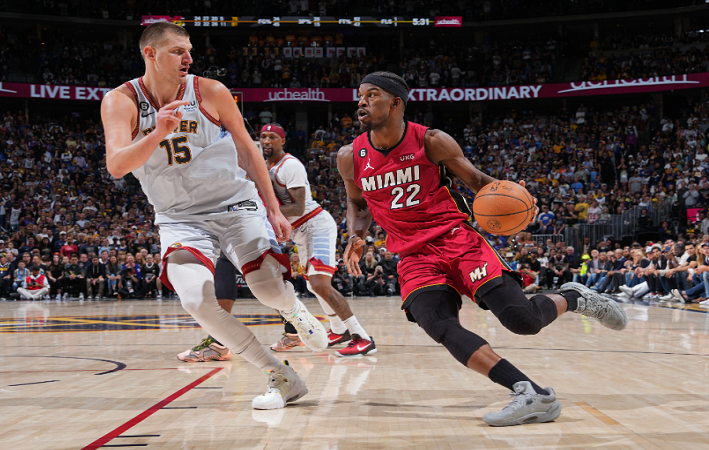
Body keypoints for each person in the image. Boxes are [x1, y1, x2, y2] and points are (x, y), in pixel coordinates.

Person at [337, 71, 628, 427]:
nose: (361, 101)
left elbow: (477, 181)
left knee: (522, 321)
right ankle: (530, 393)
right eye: (360, 95)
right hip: (414, 256)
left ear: (396, 102)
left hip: (457, 241)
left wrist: (519, 197)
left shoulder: (431, 141)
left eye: (372, 95)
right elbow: (358, 204)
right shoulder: (350, 156)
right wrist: (355, 236)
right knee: (438, 325)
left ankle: (575, 297)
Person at [100, 22, 326, 409]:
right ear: (150, 54)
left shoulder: (210, 91)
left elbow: (249, 150)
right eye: (177, 51)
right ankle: (280, 375)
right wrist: (157, 131)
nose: (188, 58)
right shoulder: (121, 100)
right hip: (179, 217)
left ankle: (292, 308)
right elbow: (117, 166)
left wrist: (274, 208)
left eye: (189, 50)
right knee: (195, 299)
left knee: (265, 287)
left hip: (234, 204)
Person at [260, 123, 375, 356]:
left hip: (315, 225)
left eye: (272, 136)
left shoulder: (290, 165)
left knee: (320, 283)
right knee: (313, 286)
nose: (267, 141)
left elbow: (298, 207)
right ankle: (338, 330)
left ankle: (362, 337)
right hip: (299, 231)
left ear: (283, 141)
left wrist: (265, 214)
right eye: (263, 136)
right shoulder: (265, 167)